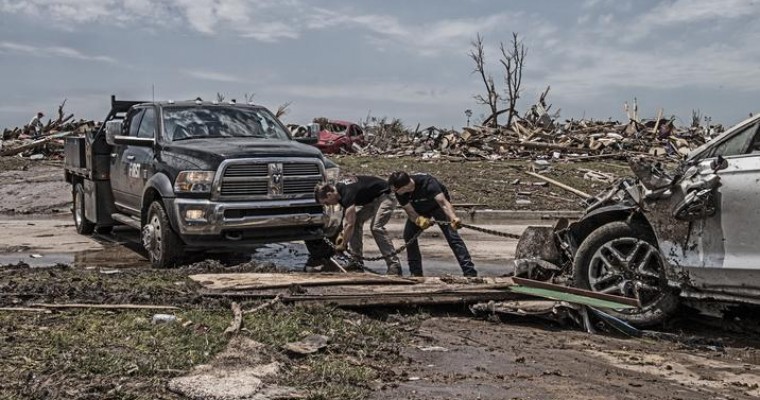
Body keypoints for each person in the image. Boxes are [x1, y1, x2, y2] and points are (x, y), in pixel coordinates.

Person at [387, 171, 477, 277]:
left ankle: (469, 272)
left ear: (405, 186)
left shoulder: (428, 183)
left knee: (453, 237)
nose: (394, 192)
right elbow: (410, 212)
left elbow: (443, 203)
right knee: (409, 236)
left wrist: (453, 218)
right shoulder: (400, 193)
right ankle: (416, 273)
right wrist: (419, 220)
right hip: (418, 209)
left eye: (395, 190)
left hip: (437, 207)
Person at [314, 175, 402, 275]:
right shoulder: (339, 191)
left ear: (329, 195)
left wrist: (342, 245)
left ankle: (394, 265)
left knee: (376, 227)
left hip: (386, 195)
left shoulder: (347, 193)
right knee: (356, 223)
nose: (328, 205)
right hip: (373, 199)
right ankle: (356, 261)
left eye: (326, 202)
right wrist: (342, 236)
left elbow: (350, 223)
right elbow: (347, 221)